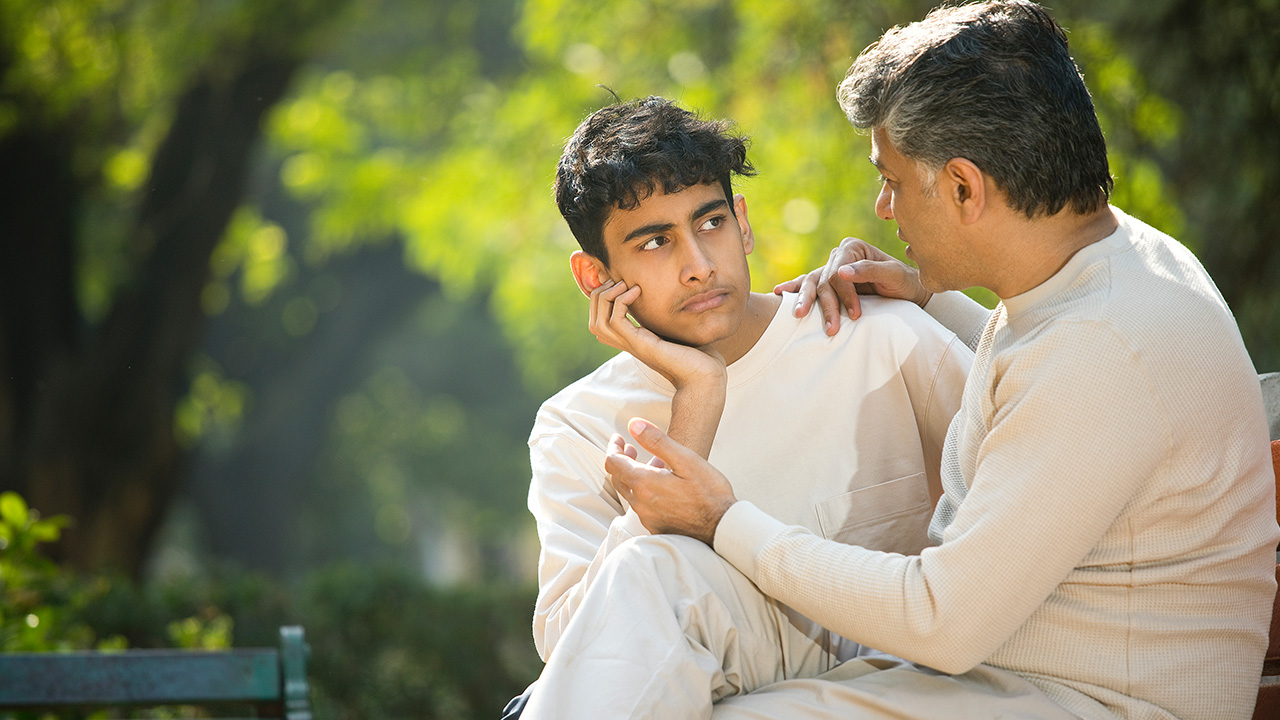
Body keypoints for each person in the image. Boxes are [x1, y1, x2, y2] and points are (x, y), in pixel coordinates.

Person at [522, 2, 1280, 719]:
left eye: (890, 181)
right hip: (1003, 678)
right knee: (660, 580)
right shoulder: (1121, 270)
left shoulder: (1098, 346)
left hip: (1079, 702)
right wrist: (932, 295)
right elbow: (1051, 399)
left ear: (962, 186)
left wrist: (723, 519)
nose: (883, 210)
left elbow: (943, 619)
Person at [517, 96, 972, 713]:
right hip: (708, 674)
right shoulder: (576, 424)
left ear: (744, 223)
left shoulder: (876, 337)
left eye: (711, 224)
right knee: (655, 568)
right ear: (594, 278)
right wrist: (697, 401)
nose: (699, 267)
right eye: (655, 243)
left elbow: (1039, 441)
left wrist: (931, 297)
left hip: (903, 671)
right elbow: (577, 653)